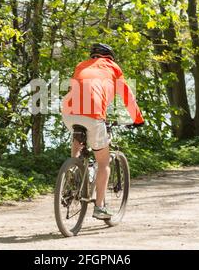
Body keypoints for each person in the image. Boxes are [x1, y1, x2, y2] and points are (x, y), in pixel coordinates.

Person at [61, 43, 144, 220]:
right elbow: (126, 95)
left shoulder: (81, 65)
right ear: (110, 57)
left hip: (68, 113)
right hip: (93, 113)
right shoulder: (113, 67)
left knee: (78, 135)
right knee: (103, 162)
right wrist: (137, 119)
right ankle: (99, 207)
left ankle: (73, 173)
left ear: (93, 56)